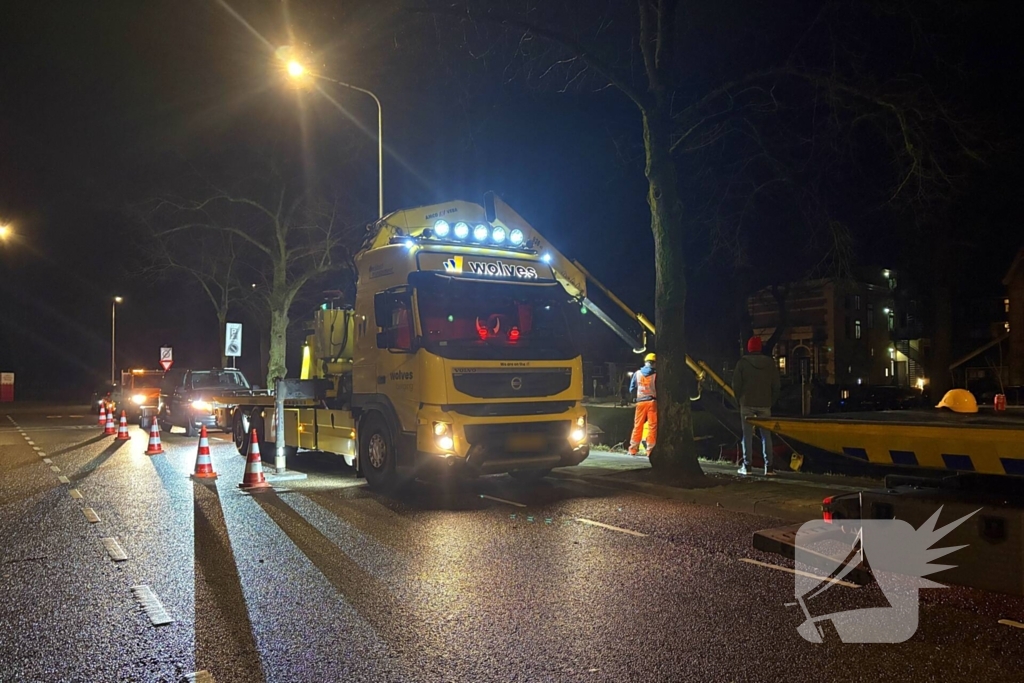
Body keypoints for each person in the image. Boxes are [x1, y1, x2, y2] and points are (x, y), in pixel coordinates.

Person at [732, 336, 781, 476]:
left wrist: (739, 400)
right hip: (765, 403)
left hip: (746, 403)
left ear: (749, 348)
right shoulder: (770, 363)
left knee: (746, 435)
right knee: (766, 436)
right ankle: (769, 467)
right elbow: (776, 385)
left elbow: (736, 384)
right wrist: (772, 400)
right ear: (760, 348)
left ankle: (747, 466)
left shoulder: (742, 363)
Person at [628, 353, 657, 456]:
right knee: (652, 426)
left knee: (637, 426)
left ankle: (633, 449)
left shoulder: (637, 374)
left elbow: (631, 389)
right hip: (652, 402)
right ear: (654, 363)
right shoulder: (656, 375)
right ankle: (650, 451)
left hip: (640, 402)